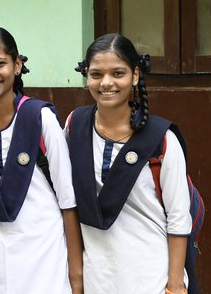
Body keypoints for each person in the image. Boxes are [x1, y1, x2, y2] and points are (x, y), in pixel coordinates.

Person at [0, 26, 83, 293]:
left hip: (43, 249)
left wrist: (76, 273)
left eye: (0, 63)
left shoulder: (40, 117)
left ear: (17, 64)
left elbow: (67, 199)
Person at [67, 33, 190, 294]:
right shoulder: (74, 126)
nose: (106, 83)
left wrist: (176, 285)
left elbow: (179, 218)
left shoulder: (162, 139)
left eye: (118, 73)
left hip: (151, 279)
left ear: (135, 75)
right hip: (96, 279)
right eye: (97, 74)